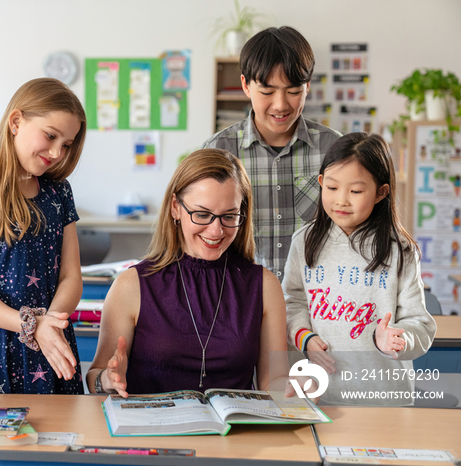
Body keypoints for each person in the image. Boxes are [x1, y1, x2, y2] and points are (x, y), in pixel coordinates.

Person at [87, 149, 310, 397]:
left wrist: (293, 390)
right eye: (202, 214)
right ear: (175, 208)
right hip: (153, 433)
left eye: (229, 216)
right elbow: (96, 376)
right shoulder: (131, 285)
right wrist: (107, 380)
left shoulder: (264, 285)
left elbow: (274, 381)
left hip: (235, 432)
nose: (216, 231)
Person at [0, 78, 86, 395]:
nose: (56, 152)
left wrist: (50, 325)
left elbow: (71, 276)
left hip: (53, 342)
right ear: (16, 122)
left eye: (66, 144)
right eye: (50, 136)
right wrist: (34, 327)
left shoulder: (58, 192)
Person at [283, 133, 437, 405]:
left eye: (355, 191)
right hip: (322, 395)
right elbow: (292, 302)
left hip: (385, 398)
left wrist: (397, 340)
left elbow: (421, 326)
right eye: (331, 188)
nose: (341, 200)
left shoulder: (399, 249)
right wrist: (304, 338)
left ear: (381, 192)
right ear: (320, 183)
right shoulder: (304, 241)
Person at [203, 26, 341, 281]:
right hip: (242, 301)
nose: (281, 104)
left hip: (316, 304)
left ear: (308, 86)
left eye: (293, 91)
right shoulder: (218, 151)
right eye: (267, 92)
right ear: (245, 85)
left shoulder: (335, 149)